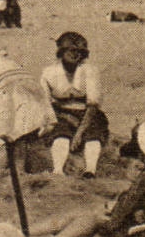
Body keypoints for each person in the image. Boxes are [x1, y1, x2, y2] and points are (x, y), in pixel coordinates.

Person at [41, 32, 108, 178]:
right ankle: (58, 170)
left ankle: (90, 170)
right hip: (61, 113)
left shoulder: (90, 71)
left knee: (93, 136)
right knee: (60, 135)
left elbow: (92, 104)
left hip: (87, 114)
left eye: (80, 52)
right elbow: (45, 103)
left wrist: (79, 133)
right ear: (62, 52)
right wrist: (54, 120)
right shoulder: (49, 73)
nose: (75, 55)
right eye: (71, 50)